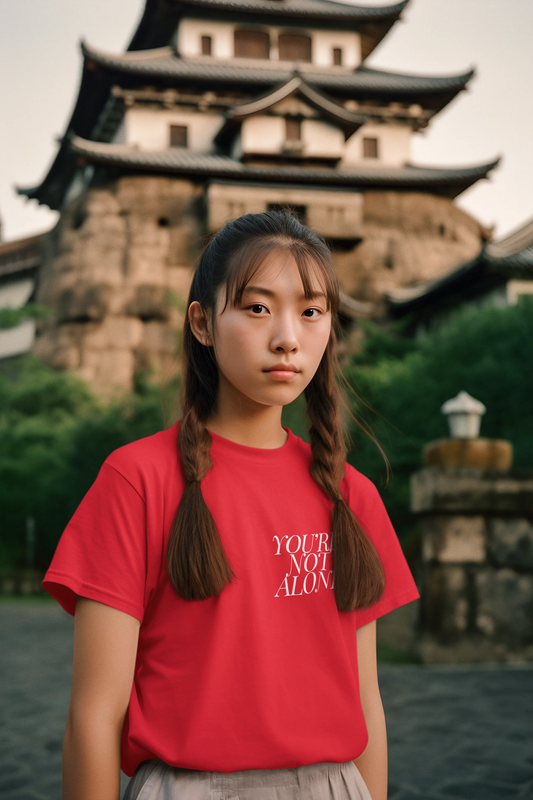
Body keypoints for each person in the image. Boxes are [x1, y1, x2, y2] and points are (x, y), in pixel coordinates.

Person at [43, 211, 419, 800]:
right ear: (202, 323)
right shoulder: (137, 479)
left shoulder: (352, 497)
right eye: (258, 307)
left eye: (312, 311)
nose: (288, 337)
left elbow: (367, 704)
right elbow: (93, 718)